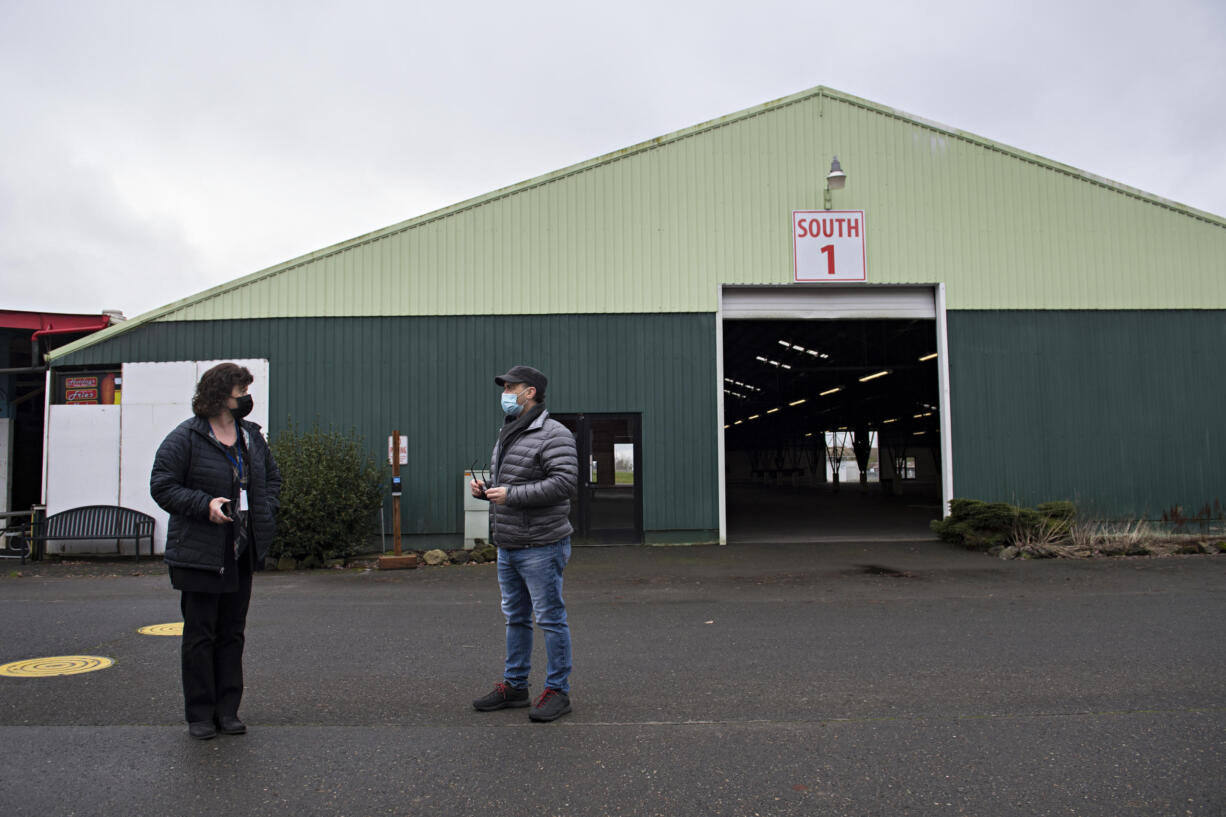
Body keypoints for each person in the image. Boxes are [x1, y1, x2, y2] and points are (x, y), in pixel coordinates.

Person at [150, 363, 281, 740]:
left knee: (232, 632)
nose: (246, 399)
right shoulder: (186, 437)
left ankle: (228, 710)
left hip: (240, 549)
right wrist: (203, 503)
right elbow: (162, 485)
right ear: (219, 395)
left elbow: (272, 479)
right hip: (199, 552)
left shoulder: (251, 436)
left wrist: (266, 508)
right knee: (200, 634)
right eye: (240, 392)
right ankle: (200, 714)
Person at [470, 365, 579, 722]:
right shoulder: (509, 432)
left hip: (542, 545)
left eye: (511, 386)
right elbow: (514, 483)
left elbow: (564, 483)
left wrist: (512, 495)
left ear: (530, 392)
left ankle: (557, 690)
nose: (506, 392)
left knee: (550, 619)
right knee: (516, 619)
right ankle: (515, 686)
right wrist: (489, 493)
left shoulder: (554, 433)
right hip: (510, 542)